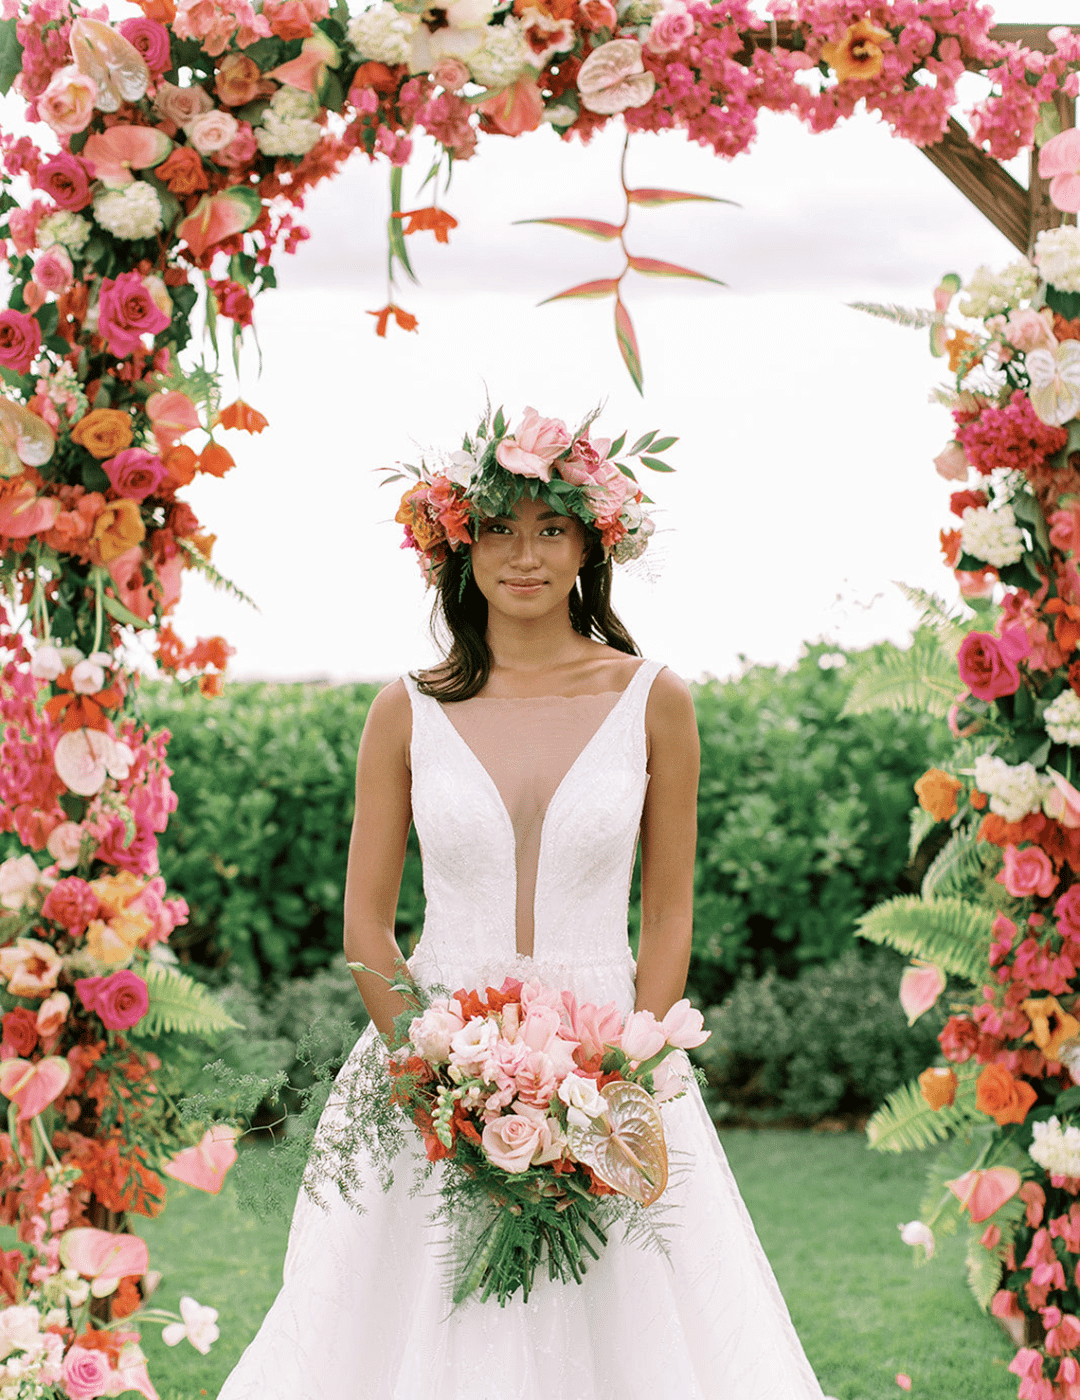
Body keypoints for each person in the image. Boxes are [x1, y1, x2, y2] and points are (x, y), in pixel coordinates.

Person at [218, 406, 825, 1400]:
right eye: (499, 528)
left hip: (613, 1052)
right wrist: (428, 1066)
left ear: (593, 544)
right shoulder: (405, 708)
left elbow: (668, 912)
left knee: (634, 1322)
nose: (526, 554)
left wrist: (628, 1064)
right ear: (458, 544)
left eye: (551, 529)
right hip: (434, 1055)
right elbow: (365, 923)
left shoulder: (655, 698)